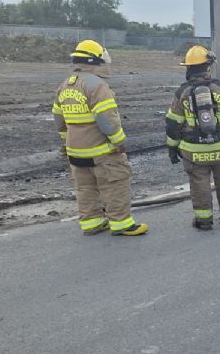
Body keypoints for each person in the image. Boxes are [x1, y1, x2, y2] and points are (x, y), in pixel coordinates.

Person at [52, 40, 148, 236]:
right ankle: (121, 224)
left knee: (85, 188)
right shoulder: (97, 85)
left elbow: (59, 118)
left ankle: (92, 223)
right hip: (101, 150)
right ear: (95, 60)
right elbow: (107, 120)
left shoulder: (65, 85)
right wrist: (119, 142)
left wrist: (66, 140)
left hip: (75, 151)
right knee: (115, 184)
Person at [165, 46, 220, 230]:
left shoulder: (182, 93)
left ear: (188, 69)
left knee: (200, 184)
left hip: (194, 151)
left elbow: (173, 124)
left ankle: (204, 220)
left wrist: (172, 149)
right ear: (208, 67)